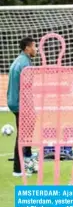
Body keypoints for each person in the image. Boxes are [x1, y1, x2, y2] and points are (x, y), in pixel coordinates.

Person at [7, 37, 38, 177]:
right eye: (34, 46)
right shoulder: (25, 63)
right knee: (23, 135)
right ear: (27, 48)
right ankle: (18, 169)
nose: (36, 49)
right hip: (21, 104)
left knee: (25, 134)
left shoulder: (20, 61)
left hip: (15, 102)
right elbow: (26, 88)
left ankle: (27, 161)